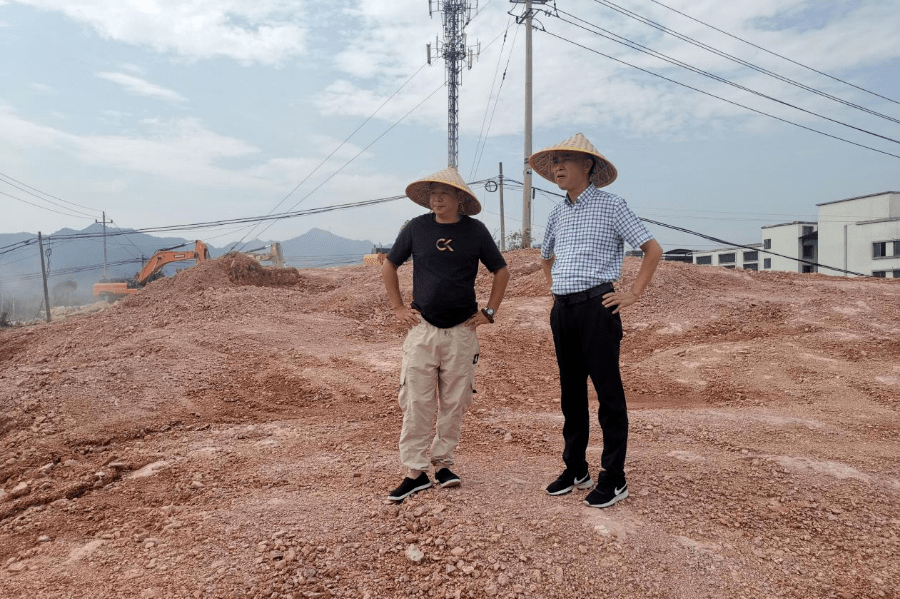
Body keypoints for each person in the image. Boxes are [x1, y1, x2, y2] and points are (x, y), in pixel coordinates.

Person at [530, 133, 662, 508]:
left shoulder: (612, 205)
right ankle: (576, 469)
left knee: (607, 393)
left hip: (597, 307)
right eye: (554, 161)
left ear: (587, 166)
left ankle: (614, 477)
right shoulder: (557, 212)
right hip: (564, 310)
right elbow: (545, 257)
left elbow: (652, 249)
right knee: (571, 393)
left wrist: (632, 293)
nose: (557, 167)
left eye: (565, 160)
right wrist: (556, 289)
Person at [382, 166, 510, 502]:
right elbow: (389, 264)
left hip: (462, 332)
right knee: (416, 401)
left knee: (454, 402)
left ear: (459, 198)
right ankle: (414, 471)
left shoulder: (476, 231)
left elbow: (501, 269)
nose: (436, 199)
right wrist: (397, 307)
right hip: (423, 330)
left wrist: (490, 312)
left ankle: (443, 464)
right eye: (432, 194)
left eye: (444, 193)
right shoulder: (416, 228)